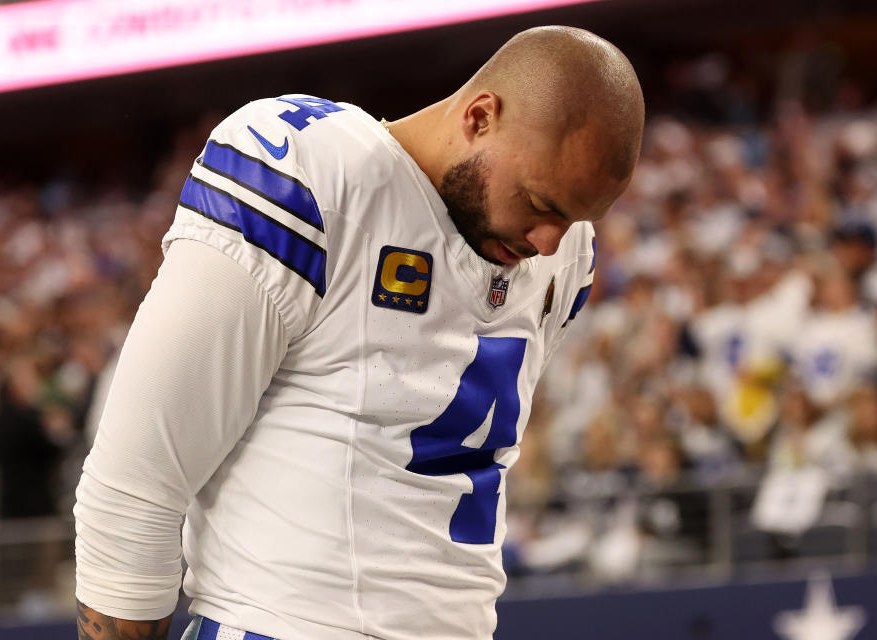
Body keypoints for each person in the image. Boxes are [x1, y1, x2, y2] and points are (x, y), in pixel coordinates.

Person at [74, 26, 644, 640]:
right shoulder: (314, 174)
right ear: (481, 117)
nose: (548, 242)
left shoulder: (564, 250)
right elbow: (136, 482)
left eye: (575, 217)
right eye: (540, 203)